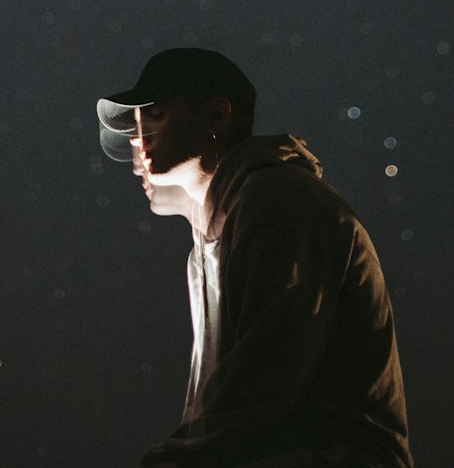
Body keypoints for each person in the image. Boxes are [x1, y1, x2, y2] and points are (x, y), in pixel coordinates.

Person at [96, 48, 414, 468]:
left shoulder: (279, 202)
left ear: (215, 115)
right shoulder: (224, 229)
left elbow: (263, 380)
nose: (137, 136)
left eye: (155, 114)